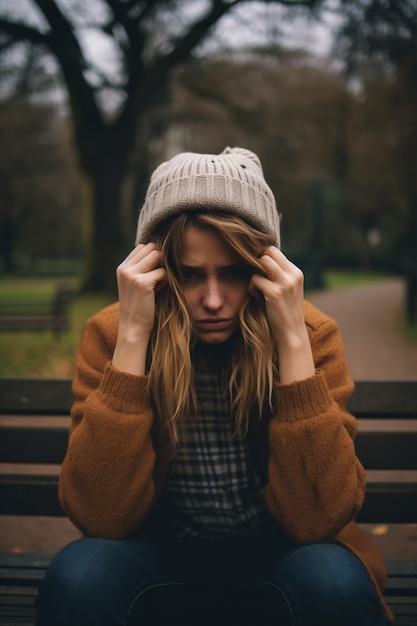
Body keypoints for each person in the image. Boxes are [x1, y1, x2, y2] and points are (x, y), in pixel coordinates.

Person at [36, 147, 392, 626]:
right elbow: (99, 516)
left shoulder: (310, 335)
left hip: (282, 550)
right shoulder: (112, 333)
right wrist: (134, 337)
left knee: (336, 584)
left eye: (233, 272)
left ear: (264, 269)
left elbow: (318, 521)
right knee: (77, 578)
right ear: (155, 268)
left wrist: (291, 340)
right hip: (156, 550)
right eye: (189, 274)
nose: (213, 300)